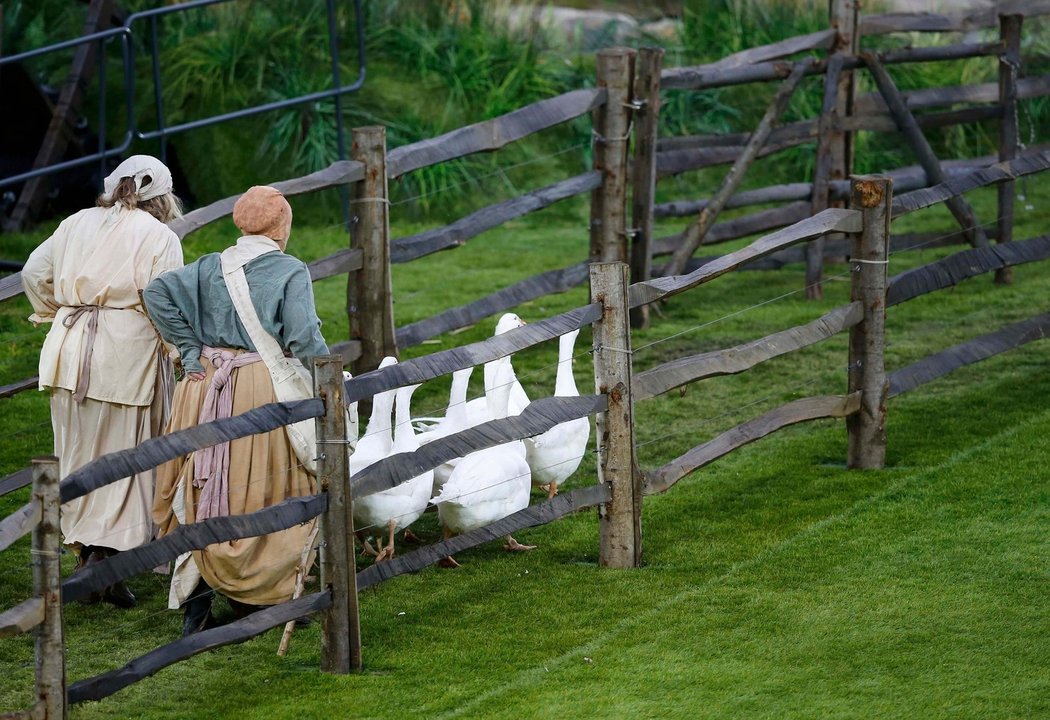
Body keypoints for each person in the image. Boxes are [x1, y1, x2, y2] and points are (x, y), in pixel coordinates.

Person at [143, 185, 328, 636]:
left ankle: (199, 601)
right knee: (268, 488)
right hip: (255, 388)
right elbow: (304, 339)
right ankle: (263, 596)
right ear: (281, 226)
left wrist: (190, 351)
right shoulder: (289, 271)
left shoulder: (208, 266)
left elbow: (156, 293)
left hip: (202, 388)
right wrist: (331, 381)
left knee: (199, 483)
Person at [21, 155, 185, 608]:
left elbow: (33, 272)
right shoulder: (160, 237)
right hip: (124, 357)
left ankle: (93, 560)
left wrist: (57, 312)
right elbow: (162, 301)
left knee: (75, 454)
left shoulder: (75, 222)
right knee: (125, 460)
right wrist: (178, 351)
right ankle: (100, 566)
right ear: (163, 198)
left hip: (68, 352)